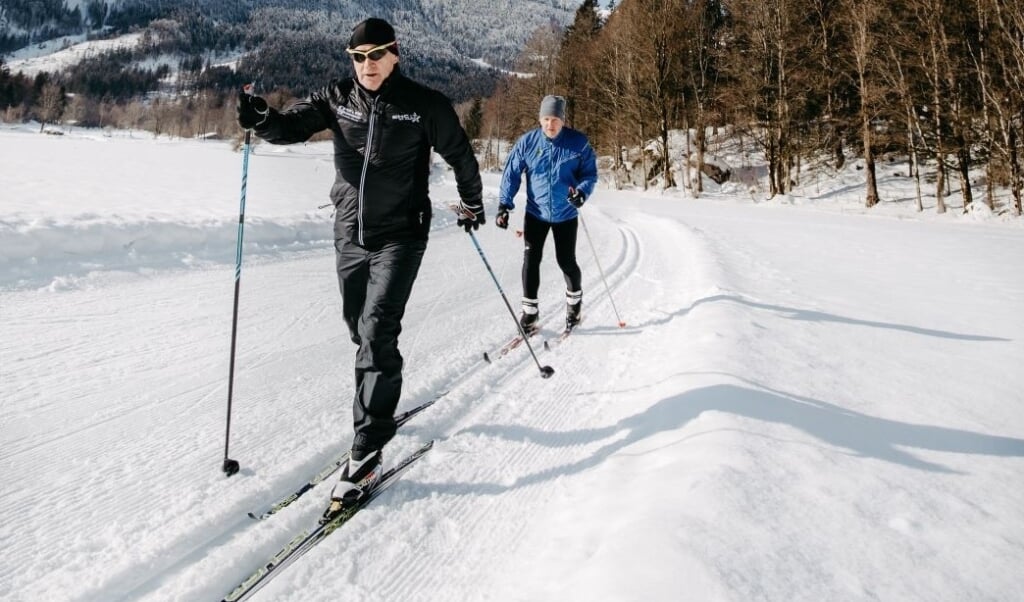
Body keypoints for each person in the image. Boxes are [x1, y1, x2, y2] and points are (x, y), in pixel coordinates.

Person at [236, 17, 484, 521]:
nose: (367, 65)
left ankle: (367, 447)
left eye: (376, 55)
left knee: (376, 330)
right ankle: (379, 396)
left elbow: (460, 155)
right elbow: (288, 127)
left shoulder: (424, 104)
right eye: (358, 57)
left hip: (402, 233)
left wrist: (472, 204)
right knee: (357, 326)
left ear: (395, 54)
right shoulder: (335, 96)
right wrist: (261, 117)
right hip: (349, 231)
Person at [495, 95, 598, 334]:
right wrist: (504, 204)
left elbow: (589, 175)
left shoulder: (578, 143)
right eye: (546, 119)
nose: (550, 124)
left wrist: (581, 194)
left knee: (566, 261)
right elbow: (511, 174)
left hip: (566, 214)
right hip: (536, 213)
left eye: (555, 119)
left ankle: (574, 307)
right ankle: (530, 313)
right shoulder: (527, 142)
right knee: (531, 260)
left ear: (563, 120)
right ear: (540, 119)